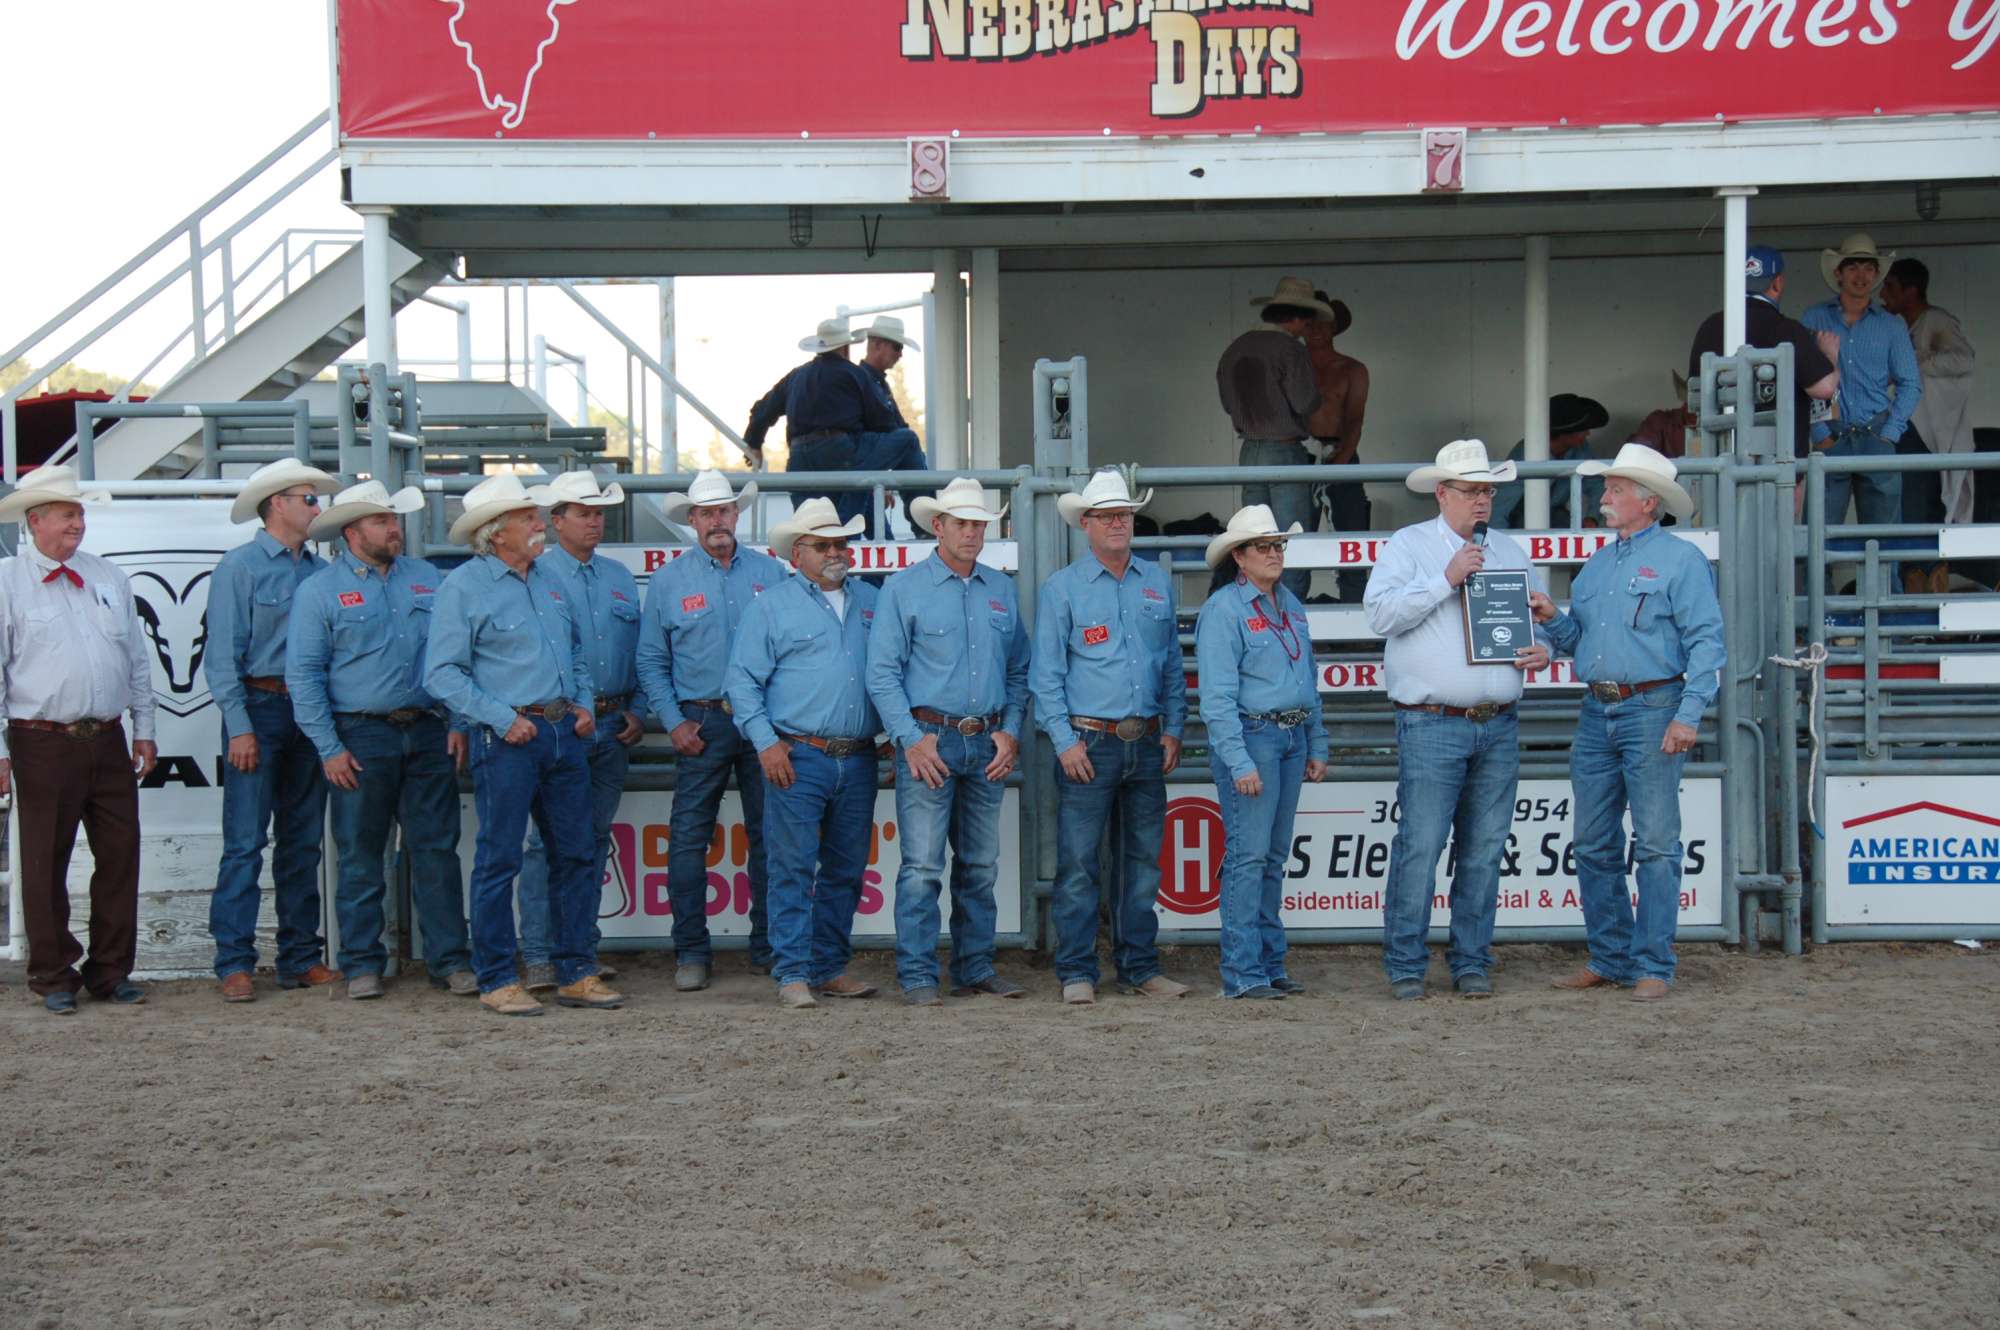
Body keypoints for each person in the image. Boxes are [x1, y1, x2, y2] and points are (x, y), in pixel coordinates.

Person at [425, 474, 624, 1017]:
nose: (539, 525)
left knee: (577, 853)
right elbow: (441, 673)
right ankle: (495, 977)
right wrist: (498, 717)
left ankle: (575, 970)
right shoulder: (464, 588)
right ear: (496, 533)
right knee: (500, 858)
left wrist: (582, 702)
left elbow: (576, 652)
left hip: (560, 731)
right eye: (528, 518)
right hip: (509, 738)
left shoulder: (547, 580)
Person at [1536, 444, 1725, 1002]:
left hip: (1652, 707)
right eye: (1609, 488)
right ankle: (1616, 958)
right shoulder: (1599, 564)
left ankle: (1650, 963)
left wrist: (1688, 714)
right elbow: (1583, 643)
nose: (1606, 497)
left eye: (1616, 489)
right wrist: (1554, 622)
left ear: (1648, 501)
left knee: (1656, 843)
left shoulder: (1680, 560)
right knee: (1595, 842)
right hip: (1602, 708)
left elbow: (1706, 643)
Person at [1366, 440, 1550, 1001]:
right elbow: (1380, 615)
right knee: (1421, 845)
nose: (1482, 500)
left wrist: (1540, 649)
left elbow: (1530, 624)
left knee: (1485, 847)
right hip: (1432, 721)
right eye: (1471, 490)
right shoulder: (1409, 546)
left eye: (1488, 490)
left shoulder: (1512, 554)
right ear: (1442, 493)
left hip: (1498, 721)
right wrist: (1444, 579)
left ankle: (1472, 959)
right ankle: (1405, 964)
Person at [287, 480, 476, 1001]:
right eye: (381, 521)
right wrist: (328, 747)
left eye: (394, 519)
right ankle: (363, 962)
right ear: (351, 532)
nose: (394, 528)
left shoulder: (429, 579)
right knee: (360, 854)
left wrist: (458, 720)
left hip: (428, 726)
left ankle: (450, 960)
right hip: (360, 733)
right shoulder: (320, 592)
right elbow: (303, 675)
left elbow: (454, 655)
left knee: (437, 850)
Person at [0, 465, 157, 1014]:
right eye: (68, 514)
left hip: (107, 736)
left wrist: (145, 728)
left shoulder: (108, 577)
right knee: (45, 859)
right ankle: (52, 975)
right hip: (41, 739)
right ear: (35, 520)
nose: (78, 522)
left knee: (121, 852)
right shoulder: (5, 581)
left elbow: (136, 661)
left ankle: (111, 971)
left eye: (80, 514)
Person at [867, 477, 1030, 1006]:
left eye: (979, 524)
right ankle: (918, 975)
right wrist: (911, 740)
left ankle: (973, 968)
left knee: (980, 865)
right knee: (923, 867)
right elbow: (882, 674)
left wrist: (1009, 728)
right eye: (962, 523)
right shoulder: (903, 589)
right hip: (929, 740)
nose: (972, 533)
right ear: (938, 526)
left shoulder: (1001, 590)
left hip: (983, 739)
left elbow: (1020, 670)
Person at [1031, 469, 1191, 1006]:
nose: (1119, 521)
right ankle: (1077, 970)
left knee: (1142, 862)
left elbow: (1170, 664)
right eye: (1106, 515)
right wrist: (1063, 739)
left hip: (1145, 739)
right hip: (1088, 741)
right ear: (1086, 524)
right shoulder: (1062, 589)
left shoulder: (1155, 582)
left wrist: (1173, 727)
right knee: (1079, 863)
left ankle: (1138, 967)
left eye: (1124, 513)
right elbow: (1045, 675)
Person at [725, 497, 885, 1010]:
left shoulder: (872, 601)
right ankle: (792, 970)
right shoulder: (771, 606)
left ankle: (828, 966)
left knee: (845, 867)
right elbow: (741, 682)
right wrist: (766, 743)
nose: (836, 552)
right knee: (792, 865)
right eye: (824, 545)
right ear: (798, 554)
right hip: (798, 753)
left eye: (841, 543)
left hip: (858, 755)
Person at [637, 468, 786, 990]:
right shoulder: (668, 581)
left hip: (762, 723)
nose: (717, 521)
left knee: (771, 835)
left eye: (724, 510)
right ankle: (691, 951)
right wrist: (674, 721)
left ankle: (768, 946)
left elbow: (788, 653)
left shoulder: (772, 574)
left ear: (736, 515)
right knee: (688, 838)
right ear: (692, 521)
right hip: (699, 721)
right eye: (707, 513)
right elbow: (652, 662)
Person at [203, 459, 342, 1002]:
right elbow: (222, 657)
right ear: (277, 504)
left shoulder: (317, 571)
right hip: (259, 707)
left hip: (305, 711)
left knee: (302, 842)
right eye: (309, 499)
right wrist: (239, 727)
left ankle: (298, 956)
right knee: (245, 842)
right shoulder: (240, 567)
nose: (316, 508)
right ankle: (234, 960)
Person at [512, 471, 646, 992]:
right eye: (583, 512)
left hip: (612, 723)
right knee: (546, 843)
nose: (595, 520)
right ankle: (545, 953)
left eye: (598, 512)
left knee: (589, 838)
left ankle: (578, 951)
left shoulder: (617, 576)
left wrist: (635, 706)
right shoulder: (535, 575)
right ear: (556, 519)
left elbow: (637, 652)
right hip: (558, 723)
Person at [1195, 504, 1329, 1000]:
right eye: (1265, 547)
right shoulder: (1225, 611)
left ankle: (1266, 965)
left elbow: (1307, 680)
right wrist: (1239, 760)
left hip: (1287, 737)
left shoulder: (1288, 604)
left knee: (1269, 858)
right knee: (1251, 858)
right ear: (1240, 557)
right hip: (1254, 737)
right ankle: (1245, 970)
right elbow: (1216, 698)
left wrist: (1317, 740)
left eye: (1279, 546)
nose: (1275, 554)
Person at [749, 317, 926, 538]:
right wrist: (883, 463)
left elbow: (762, 410)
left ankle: (838, 541)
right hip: (840, 452)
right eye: (897, 347)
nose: (899, 354)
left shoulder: (796, 376)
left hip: (799, 460)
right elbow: (883, 422)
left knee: (812, 527)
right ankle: (924, 526)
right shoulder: (854, 374)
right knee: (906, 440)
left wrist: (754, 444)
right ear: (845, 346)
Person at [1216, 275, 1327, 601]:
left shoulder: (1234, 349)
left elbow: (1226, 403)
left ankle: (1258, 609)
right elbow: (1305, 401)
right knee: (1292, 541)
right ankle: (1292, 613)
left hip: (1249, 453)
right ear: (1298, 317)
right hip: (1285, 451)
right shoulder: (1290, 349)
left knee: (1255, 539)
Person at [1801, 233, 1922, 532]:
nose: (1861, 275)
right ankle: (1819, 583)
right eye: (1853, 266)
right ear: (1838, 273)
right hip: (1830, 433)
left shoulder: (1892, 325)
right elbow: (1798, 380)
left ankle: (1885, 583)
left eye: (1868, 267)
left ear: (1877, 274)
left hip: (1876, 433)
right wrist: (1819, 433)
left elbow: (1911, 383)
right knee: (1818, 539)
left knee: (1885, 541)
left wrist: (1890, 433)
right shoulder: (1814, 318)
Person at [1688, 243, 1839, 467]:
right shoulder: (1786, 329)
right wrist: (1829, 354)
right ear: (1777, 283)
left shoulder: (1709, 327)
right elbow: (1824, 388)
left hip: (1721, 461)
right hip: (1780, 463)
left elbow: (1693, 395)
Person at [1881, 257, 1978, 591]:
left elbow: (1963, 359)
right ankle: (1915, 576)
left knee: (1927, 507)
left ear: (1911, 291)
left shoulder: (1935, 321)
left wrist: (1918, 362)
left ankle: (1931, 576)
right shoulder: (1898, 326)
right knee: (1908, 508)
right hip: (1907, 427)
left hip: (1932, 431)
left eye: (1890, 286)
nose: (1883, 293)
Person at [1302, 292, 1372, 604]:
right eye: (1310, 321)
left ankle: (1355, 625)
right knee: (1293, 541)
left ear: (1334, 327)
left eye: (1324, 321)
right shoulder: (1289, 368)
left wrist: (1341, 460)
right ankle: (1289, 621)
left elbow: (1355, 420)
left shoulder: (1352, 369)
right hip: (1298, 458)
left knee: (1352, 539)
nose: (1317, 328)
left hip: (1342, 454)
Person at [1493, 394, 1609, 530]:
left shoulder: (1581, 448)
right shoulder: (1524, 454)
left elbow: (1596, 484)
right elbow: (1500, 508)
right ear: (1564, 433)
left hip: (1556, 516)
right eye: (1582, 430)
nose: (1588, 433)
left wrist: (1592, 518)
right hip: (1518, 522)